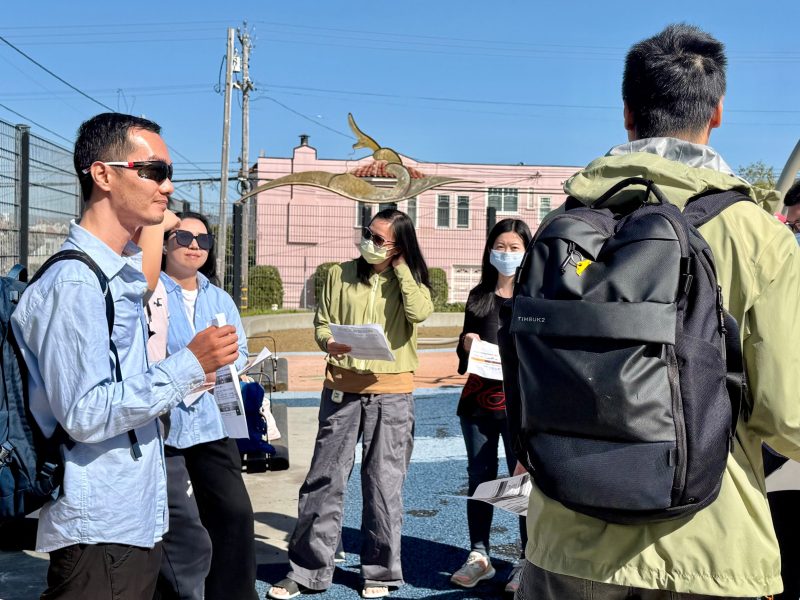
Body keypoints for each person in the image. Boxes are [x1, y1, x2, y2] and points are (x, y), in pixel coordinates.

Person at [513, 24, 800, 599]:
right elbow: (790, 415)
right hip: (705, 545)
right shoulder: (755, 236)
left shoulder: (563, 227)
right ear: (716, 113)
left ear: (626, 112)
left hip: (563, 540)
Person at [10, 112, 240, 599]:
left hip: (128, 519)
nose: (168, 187)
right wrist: (188, 366)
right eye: (153, 171)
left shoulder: (113, 276)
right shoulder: (75, 283)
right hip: (100, 528)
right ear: (103, 174)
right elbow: (86, 413)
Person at [268, 208, 433, 600]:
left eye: (380, 240)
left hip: (392, 394)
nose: (369, 243)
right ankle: (307, 570)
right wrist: (328, 342)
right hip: (341, 388)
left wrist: (404, 270)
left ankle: (380, 571)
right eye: (368, 234)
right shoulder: (337, 274)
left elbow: (420, 313)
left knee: (383, 484)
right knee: (323, 480)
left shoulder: (410, 280)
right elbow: (322, 323)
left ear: (399, 247)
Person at [158, 211, 257, 600]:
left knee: (234, 514)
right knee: (179, 527)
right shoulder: (151, 293)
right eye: (183, 237)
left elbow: (241, 350)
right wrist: (192, 366)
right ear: (165, 243)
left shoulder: (219, 297)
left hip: (213, 424)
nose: (194, 245)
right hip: (166, 429)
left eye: (203, 239)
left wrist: (228, 366)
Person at [450, 218, 531, 594]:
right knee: (479, 478)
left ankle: (525, 560)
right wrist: (465, 346)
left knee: (521, 484)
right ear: (489, 249)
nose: (507, 254)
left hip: (520, 405)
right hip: (478, 403)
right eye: (501, 246)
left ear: (527, 251)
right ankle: (479, 555)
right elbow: (463, 350)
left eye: (515, 248)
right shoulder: (478, 296)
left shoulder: (536, 297)